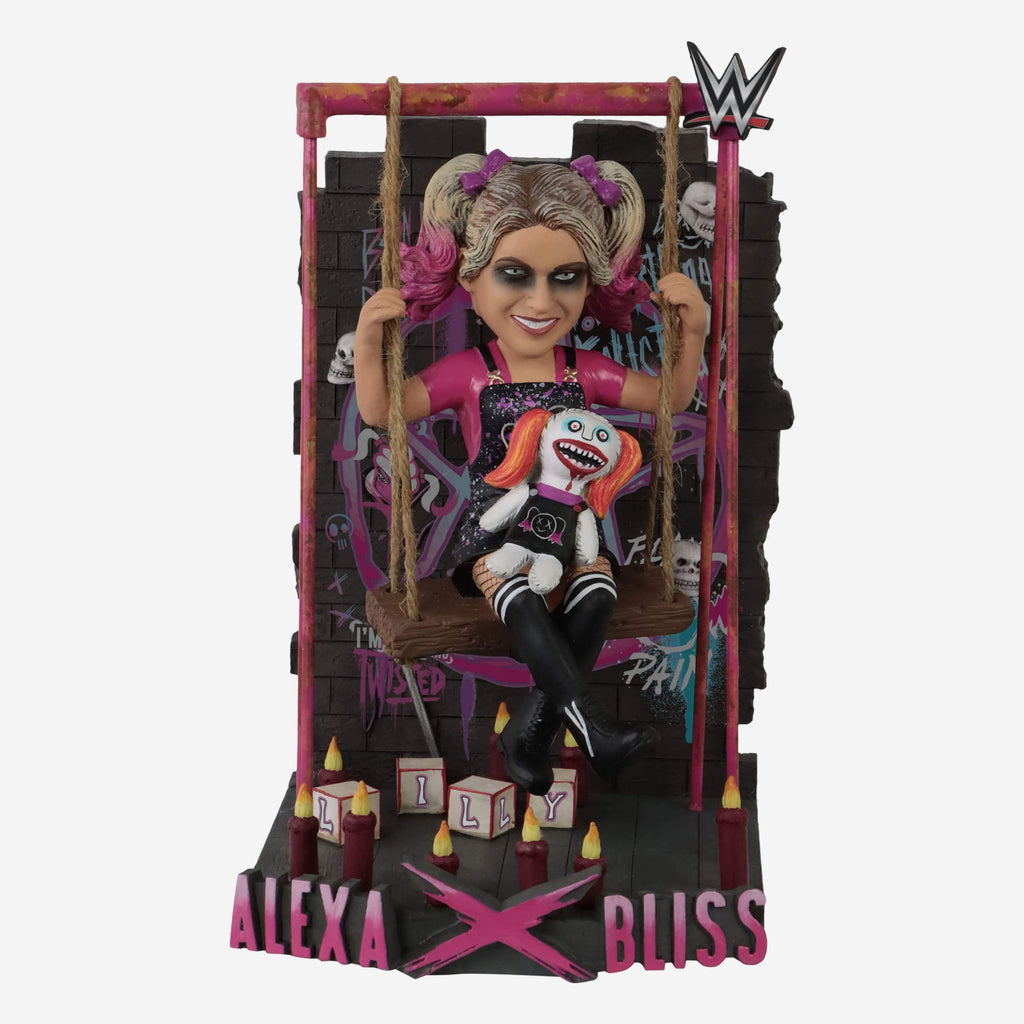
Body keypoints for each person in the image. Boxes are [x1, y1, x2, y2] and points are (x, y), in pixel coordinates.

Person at [354, 150, 705, 794]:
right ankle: (589, 729)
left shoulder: (584, 370)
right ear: (471, 275)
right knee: (520, 598)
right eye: (514, 274)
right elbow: (383, 412)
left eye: (565, 278)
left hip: (573, 536)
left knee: (595, 595)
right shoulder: (470, 373)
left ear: (588, 282)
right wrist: (371, 343)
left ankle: (535, 732)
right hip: (495, 537)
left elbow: (669, 400)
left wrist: (695, 333)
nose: (542, 301)